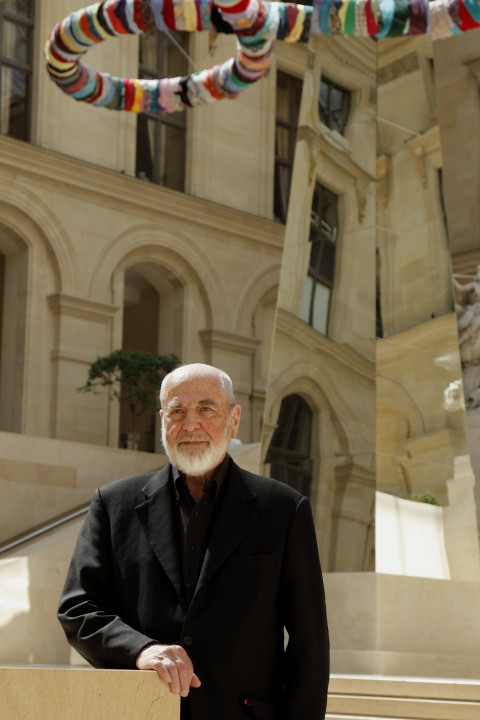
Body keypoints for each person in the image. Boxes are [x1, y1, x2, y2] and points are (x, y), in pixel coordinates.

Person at [58, 363, 330, 720]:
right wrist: (141, 650)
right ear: (162, 421)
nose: (190, 424)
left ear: (233, 420)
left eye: (206, 408)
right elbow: (77, 610)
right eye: (177, 411)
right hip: (143, 712)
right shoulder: (113, 505)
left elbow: (309, 645)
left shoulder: (284, 510)